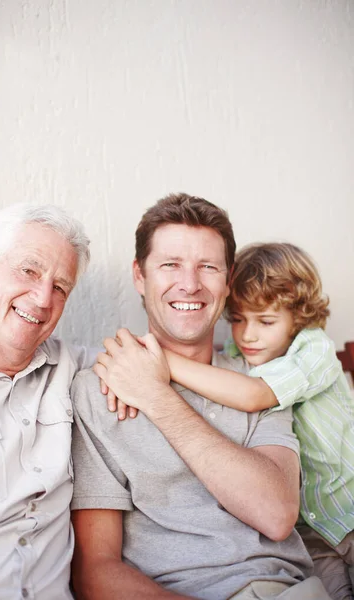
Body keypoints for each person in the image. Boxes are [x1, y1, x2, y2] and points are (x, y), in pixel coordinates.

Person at [70, 193, 330, 600]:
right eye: (170, 264)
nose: (189, 284)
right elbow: (96, 574)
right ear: (140, 275)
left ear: (228, 281)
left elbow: (277, 515)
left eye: (207, 267)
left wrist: (156, 396)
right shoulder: (96, 390)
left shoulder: (260, 384)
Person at [161, 242, 354, 600]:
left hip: (347, 510)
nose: (248, 334)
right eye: (237, 319)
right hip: (309, 531)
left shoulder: (314, 349)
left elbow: (254, 395)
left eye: (265, 321)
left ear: (299, 316)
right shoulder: (239, 356)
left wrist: (162, 364)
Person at [0, 204, 95, 599]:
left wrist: (263, 381)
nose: (43, 297)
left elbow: (153, 364)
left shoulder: (71, 368)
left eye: (61, 287)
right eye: (28, 271)